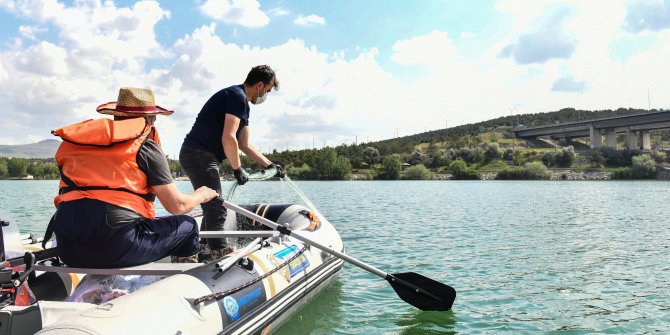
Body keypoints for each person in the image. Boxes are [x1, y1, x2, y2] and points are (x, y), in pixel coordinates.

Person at [48, 87, 218, 268]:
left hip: (68, 248)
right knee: (189, 226)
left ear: (117, 116)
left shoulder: (75, 146)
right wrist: (202, 194)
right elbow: (177, 206)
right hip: (116, 245)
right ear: (150, 119)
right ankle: (183, 276)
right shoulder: (146, 146)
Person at [179, 65, 285, 257]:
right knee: (217, 209)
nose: (265, 96)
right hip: (198, 154)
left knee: (212, 205)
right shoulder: (237, 97)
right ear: (259, 85)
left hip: (200, 155)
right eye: (267, 91)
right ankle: (219, 251)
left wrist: (269, 165)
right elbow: (229, 138)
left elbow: (244, 144)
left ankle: (203, 248)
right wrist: (237, 169)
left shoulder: (242, 104)